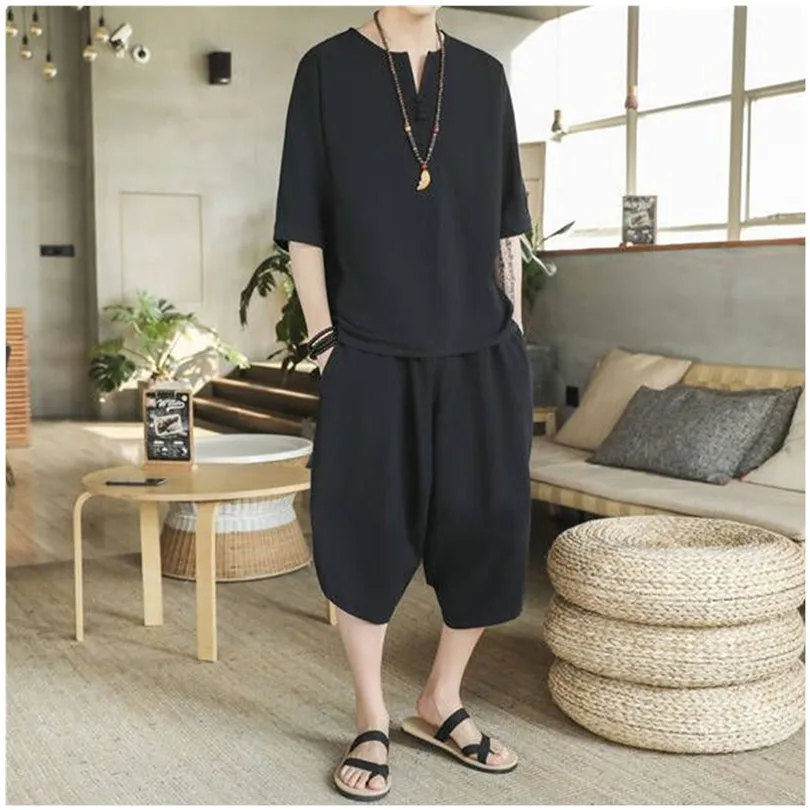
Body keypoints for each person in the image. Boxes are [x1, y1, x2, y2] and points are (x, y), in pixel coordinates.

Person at [273, 5, 533, 801]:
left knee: (487, 527)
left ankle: (441, 698)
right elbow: (304, 226)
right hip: (369, 353)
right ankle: (371, 713)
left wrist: (516, 334)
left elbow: (507, 227)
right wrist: (326, 345)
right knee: (363, 525)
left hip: (480, 351)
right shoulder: (326, 69)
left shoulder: (485, 77)